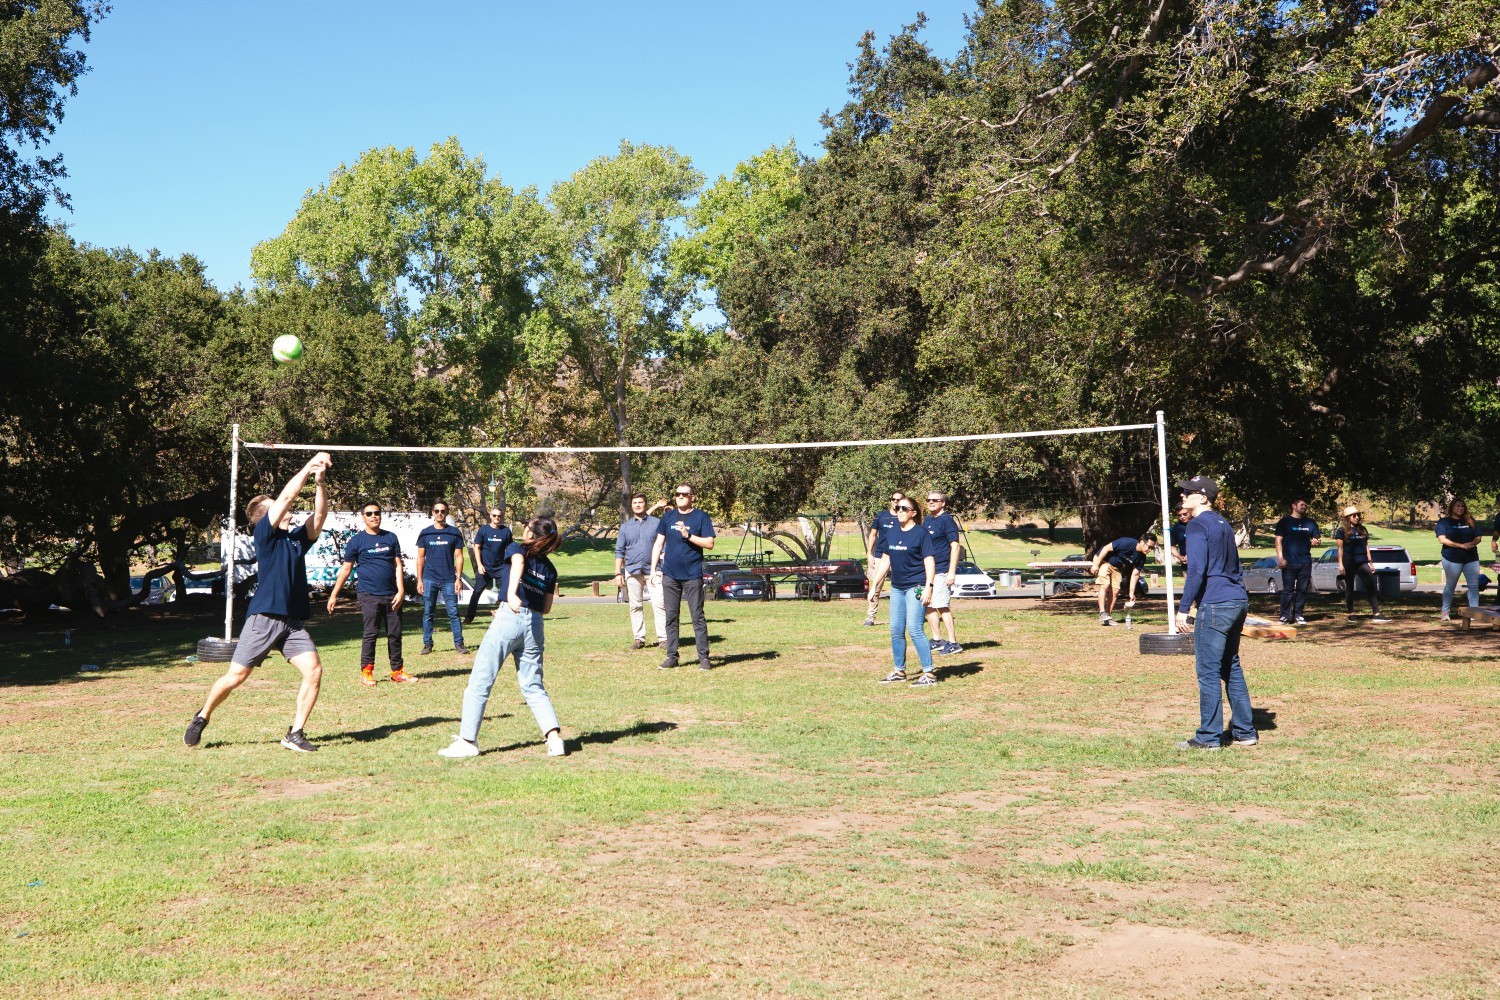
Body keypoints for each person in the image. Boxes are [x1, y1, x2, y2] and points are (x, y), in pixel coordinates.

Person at [183, 452, 333, 753]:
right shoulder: (265, 535)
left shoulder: (294, 540)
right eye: (280, 509)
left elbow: (319, 518)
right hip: (264, 616)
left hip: (291, 622)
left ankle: (295, 733)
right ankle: (202, 715)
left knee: (314, 670)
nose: (289, 510)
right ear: (267, 516)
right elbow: (288, 496)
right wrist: (308, 464)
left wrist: (320, 482)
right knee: (237, 676)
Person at [438, 516, 567, 758]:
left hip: (510, 618)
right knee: (533, 685)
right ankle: (555, 739)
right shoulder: (550, 569)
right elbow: (547, 607)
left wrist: (511, 593)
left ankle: (467, 741)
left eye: (526, 527)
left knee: (480, 680)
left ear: (530, 534)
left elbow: (518, 562)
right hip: (535, 624)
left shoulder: (516, 548)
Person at [1174, 476, 1257, 751]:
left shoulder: (1197, 525)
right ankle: (1245, 732)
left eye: (1189, 492)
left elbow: (1196, 570)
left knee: (1208, 671)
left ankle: (1208, 737)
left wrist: (1183, 609)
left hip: (1216, 604)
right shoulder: (1223, 523)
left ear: (1203, 497)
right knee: (1230, 666)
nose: (1183, 495)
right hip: (1237, 601)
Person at [326, 501, 414, 685]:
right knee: (371, 633)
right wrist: (334, 594)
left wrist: (401, 590)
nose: (374, 516)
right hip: (369, 595)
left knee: (395, 633)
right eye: (369, 513)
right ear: (363, 517)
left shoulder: (391, 537)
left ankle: (397, 671)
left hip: (392, 594)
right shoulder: (357, 541)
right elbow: (346, 569)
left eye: (377, 513)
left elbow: (398, 565)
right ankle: (367, 671)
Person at [649, 483, 716, 670]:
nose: (680, 497)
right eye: (678, 494)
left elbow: (709, 543)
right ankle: (672, 656)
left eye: (684, 494)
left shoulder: (701, 517)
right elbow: (658, 543)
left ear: (692, 497)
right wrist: (653, 569)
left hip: (692, 575)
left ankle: (703, 658)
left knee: (697, 616)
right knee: (671, 616)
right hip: (670, 575)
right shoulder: (668, 516)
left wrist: (688, 535)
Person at [874, 495, 938, 686]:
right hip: (897, 588)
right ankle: (899, 671)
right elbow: (886, 560)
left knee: (915, 629)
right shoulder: (892, 532)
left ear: (913, 513)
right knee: (895, 630)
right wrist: (875, 586)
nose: (899, 511)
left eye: (903, 508)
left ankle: (929, 673)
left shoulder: (921, 533)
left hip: (916, 586)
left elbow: (929, 561)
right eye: (897, 508)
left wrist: (929, 587)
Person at [613, 493, 667, 649]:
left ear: (645, 504)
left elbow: (663, 546)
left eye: (640, 502)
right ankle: (639, 638)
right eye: (635, 503)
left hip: (654, 570)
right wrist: (618, 573)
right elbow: (619, 551)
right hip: (632, 570)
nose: (637, 505)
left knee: (659, 603)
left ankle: (663, 639)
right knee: (635, 605)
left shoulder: (657, 523)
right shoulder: (625, 527)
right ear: (632, 506)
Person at [415, 500, 469, 655]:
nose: (440, 513)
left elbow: (459, 557)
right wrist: (419, 580)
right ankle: (427, 644)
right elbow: (420, 558)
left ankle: (459, 643)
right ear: (432, 513)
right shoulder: (425, 533)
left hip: (448, 580)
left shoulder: (454, 532)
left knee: (453, 612)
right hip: (429, 578)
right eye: (437, 510)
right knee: (428, 612)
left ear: (446, 513)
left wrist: (458, 578)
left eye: (443, 511)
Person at [1333, 505, 1391, 623]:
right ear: (1348, 518)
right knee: (1349, 586)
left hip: (1362, 561)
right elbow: (1340, 549)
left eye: (1358, 515)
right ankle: (1351, 613)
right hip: (1349, 561)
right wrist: (1340, 564)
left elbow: (1366, 546)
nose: (1357, 517)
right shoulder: (1341, 531)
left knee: (1371, 584)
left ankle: (1376, 613)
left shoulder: (1362, 529)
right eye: (1354, 515)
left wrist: (1370, 562)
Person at [922, 491, 963, 654]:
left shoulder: (947, 520)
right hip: (927, 571)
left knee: (942, 605)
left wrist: (951, 572)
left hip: (941, 570)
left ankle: (953, 642)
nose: (930, 502)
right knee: (928, 604)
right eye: (928, 500)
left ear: (943, 503)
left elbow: (955, 546)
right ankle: (937, 639)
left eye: (934, 500)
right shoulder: (927, 520)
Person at [1273, 499, 1322, 626]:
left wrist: (1316, 542)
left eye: (1305, 505)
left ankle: (1299, 615)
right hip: (1289, 561)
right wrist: (1280, 558)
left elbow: (1316, 539)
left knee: (1302, 589)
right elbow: (1278, 540)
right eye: (1302, 505)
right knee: (1287, 590)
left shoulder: (1311, 523)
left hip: (1305, 561)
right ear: (1293, 506)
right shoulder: (1285, 522)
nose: (1304, 507)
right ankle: (1285, 616)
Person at [1090, 534, 1157, 626]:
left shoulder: (1141, 558)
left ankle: (1107, 616)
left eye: (1152, 548)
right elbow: (1106, 548)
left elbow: (1135, 574)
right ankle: (1102, 613)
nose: (1150, 550)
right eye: (1149, 547)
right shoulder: (1126, 542)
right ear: (1142, 542)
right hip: (1102, 560)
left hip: (1116, 567)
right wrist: (1096, 564)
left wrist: (1131, 593)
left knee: (1116, 590)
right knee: (1105, 584)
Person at [463, 505, 512, 625]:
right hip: (485, 568)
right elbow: (477, 547)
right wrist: (479, 565)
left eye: (499, 516)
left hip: (502, 567)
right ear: (490, 516)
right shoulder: (484, 530)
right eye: (494, 515)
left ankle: (501, 613)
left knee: (507, 591)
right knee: (476, 593)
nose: (497, 518)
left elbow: (510, 549)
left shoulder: (506, 531)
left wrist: (512, 565)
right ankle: (469, 617)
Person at [1436, 498, 1482, 622]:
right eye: (1457, 506)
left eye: (1462, 506)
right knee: (1450, 586)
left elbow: (1478, 537)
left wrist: (1472, 543)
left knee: (1473, 586)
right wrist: (1461, 545)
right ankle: (1445, 611)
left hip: (1471, 558)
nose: (1460, 508)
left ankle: (1474, 612)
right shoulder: (1444, 522)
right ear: (1452, 507)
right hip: (1452, 559)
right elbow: (1442, 539)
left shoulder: (1470, 521)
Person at [863, 492, 905, 627]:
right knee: (875, 586)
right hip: (881, 556)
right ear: (890, 501)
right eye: (894, 499)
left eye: (899, 500)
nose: (896, 501)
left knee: (902, 587)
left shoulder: (904, 517)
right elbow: (873, 534)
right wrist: (869, 553)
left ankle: (904, 616)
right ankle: (870, 617)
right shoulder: (881, 516)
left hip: (899, 556)